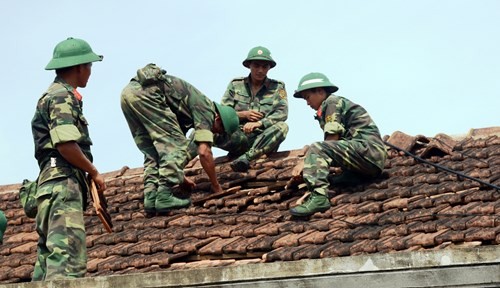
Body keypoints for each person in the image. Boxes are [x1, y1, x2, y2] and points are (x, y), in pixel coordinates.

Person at [31, 37, 106, 280]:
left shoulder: (53, 95)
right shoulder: (61, 96)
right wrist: (92, 171)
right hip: (63, 185)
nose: (90, 72)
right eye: (90, 66)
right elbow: (65, 144)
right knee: (67, 272)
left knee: (47, 271)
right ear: (79, 67)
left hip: (49, 188)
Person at [120, 63, 239, 216]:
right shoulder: (206, 110)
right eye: (220, 130)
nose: (216, 133)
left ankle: (150, 197)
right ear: (218, 118)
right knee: (177, 146)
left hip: (128, 93)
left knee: (153, 150)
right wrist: (216, 186)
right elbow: (203, 152)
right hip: (148, 95)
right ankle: (163, 196)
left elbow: (164, 152)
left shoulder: (187, 112)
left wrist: (180, 177)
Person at [289, 72, 387, 217]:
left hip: (368, 151)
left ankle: (319, 197)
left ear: (320, 91)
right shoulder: (330, 105)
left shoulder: (331, 103)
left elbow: (332, 139)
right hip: (369, 158)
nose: (307, 103)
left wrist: (305, 162)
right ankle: (353, 176)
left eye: (307, 97)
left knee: (317, 148)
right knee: (334, 176)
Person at [216, 46, 289, 172]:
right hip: (237, 136)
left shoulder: (277, 87)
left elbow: (281, 113)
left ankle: (247, 158)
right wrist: (243, 115)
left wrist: (259, 123)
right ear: (249, 65)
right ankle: (180, 162)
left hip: (262, 140)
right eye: (256, 65)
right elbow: (223, 112)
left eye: (264, 66)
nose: (260, 70)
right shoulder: (235, 84)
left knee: (283, 127)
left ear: (269, 68)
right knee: (204, 127)